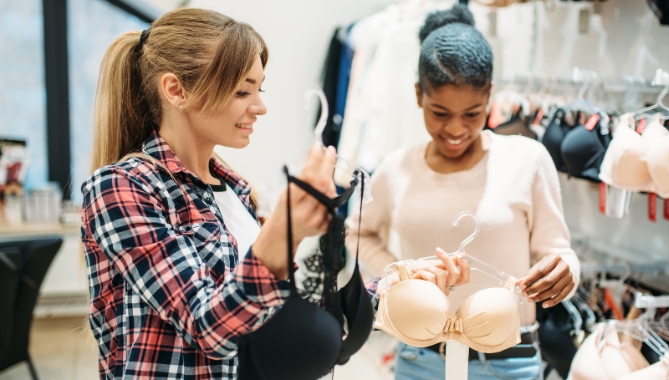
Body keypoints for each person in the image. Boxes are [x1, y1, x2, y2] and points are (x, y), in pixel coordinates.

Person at [81, 8, 468, 379]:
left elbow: (282, 305)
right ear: (175, 89)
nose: (261, 107)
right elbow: (210, 328)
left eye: (259, 89)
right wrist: (284, 232)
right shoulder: (123, 188)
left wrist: (394, 287)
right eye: (242, 91)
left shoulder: (234, 189)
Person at [345, 4, 580, 380]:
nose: (455, 129)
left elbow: (558, 249)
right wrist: (399, 275)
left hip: (510, 362)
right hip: (419, 359)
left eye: (472, 113)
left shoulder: (526, 159)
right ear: (418, 94)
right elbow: (357, 233)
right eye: (439, 113)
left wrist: (567, 269)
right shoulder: (394, 169)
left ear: (489, 96)